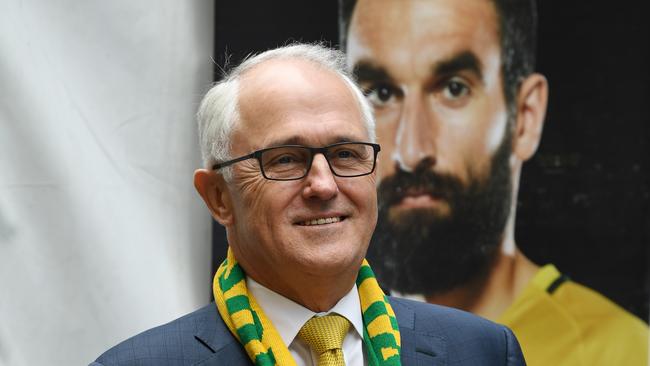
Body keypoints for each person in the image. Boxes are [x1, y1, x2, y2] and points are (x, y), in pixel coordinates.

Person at [90, 44, 526, 365]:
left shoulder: (482, 352)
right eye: (285, 159)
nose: (323, 185)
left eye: (346, 154)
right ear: (219, 197)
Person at [341, 0, 648, 365]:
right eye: (381, 94)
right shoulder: (319, 337)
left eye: (454, 89)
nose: (411, 150)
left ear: (525, 117)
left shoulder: (619, 352)